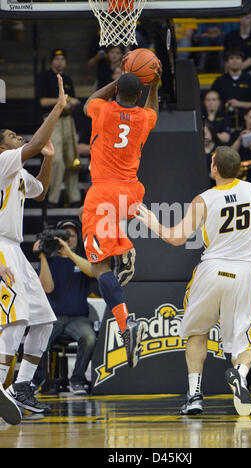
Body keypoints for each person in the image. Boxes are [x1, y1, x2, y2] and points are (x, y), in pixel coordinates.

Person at [137, 146, 251, 416]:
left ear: (214, 168)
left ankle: (194, 396)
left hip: (212, 270)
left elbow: (176, 238)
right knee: (245, 342)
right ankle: (240, 375)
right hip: (244, 273)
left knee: (198, 333)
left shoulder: (204, 199)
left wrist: (152, 221)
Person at [82, 65, 161, 369]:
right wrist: (153, 85)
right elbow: (152, 108)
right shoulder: (143, 117)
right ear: (138, 95)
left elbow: (90, 100)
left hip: (104, 192)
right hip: (131, 192)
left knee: (99, 266)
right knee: (94, 227)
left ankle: (126, 326)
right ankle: (123, 246)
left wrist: (114, 82)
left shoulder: (101, 111)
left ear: (116, 92)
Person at [0, 75, 68, 423]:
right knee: (17, 319)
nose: (20, 140)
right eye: (13, 138)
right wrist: (57, 109)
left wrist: (51, 157)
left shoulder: (16, 172)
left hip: (16, 249)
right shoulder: (2, 163)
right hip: (0, 247)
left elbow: (40, 190)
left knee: (43, 321)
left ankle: (18, 389)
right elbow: (34, 142)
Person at [32, 219, 96, 395]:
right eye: (63, 236)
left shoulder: (82, 258)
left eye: (71, 236)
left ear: (78, 238)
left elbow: (92, 271)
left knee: (89, 337)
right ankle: (40, 380)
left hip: (78, 318)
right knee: (37, 337)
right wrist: (43, 256)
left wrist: (68, 252)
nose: (67, 240)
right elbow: (47, 288)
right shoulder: (50, 260)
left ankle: (78, 380)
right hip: (54, 317)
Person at [36, 48, 82, 208]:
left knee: (72, 160)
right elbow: (42, 102)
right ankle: (53, 198)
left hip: (68, 121)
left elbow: (72, 102)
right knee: (57, 161)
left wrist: (71, 103)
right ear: (51, 62)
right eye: (57, 59)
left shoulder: (68, 78)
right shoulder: (44, 77)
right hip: (51, 121)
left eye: (62, 59)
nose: (59, 62)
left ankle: (74, 196)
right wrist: (62, 101)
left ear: (66, 62)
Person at [211, 47, 251, 131]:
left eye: (237, 58)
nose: (234, 61)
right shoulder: (219, 81)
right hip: (222, 125)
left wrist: (239, 104)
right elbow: (211, 101)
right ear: (227, 62)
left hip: (246, 125)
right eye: (231, 58)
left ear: (242, 61)